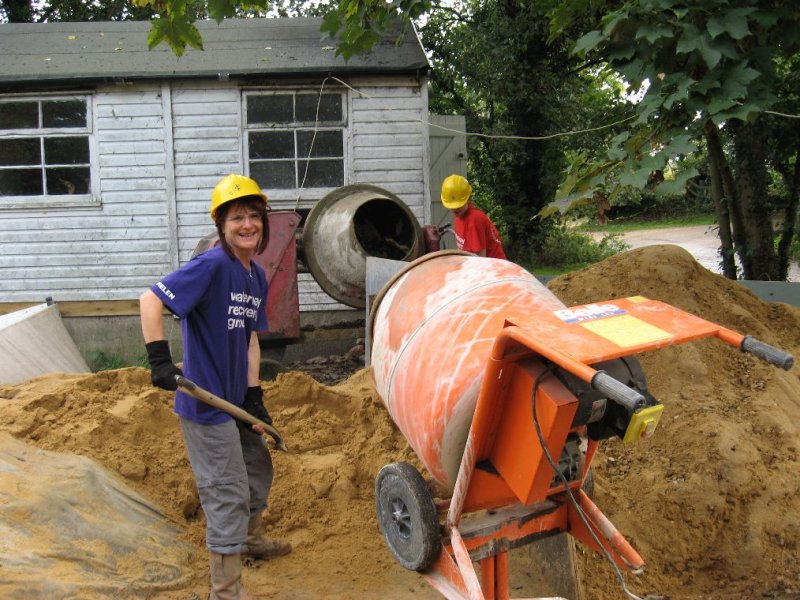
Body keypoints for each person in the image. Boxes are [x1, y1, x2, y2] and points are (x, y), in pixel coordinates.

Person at [139, 174, 291, 600]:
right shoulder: (211, 264)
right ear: (222, 225)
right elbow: (150, 301)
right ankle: (225, 590)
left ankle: (250, 539)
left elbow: (250, 339)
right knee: (226, 493)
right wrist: (159, 360)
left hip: (233, 402)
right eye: (237, 217)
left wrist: (254, 395)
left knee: (258, 468)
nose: (247, 225)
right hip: (204, 406)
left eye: (254, 217)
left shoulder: (254, 275)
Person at [440, 174, 507, 259]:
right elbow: (462, 249)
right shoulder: (459, 216)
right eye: (452, 206)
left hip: (494, 268)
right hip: (473, 262)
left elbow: (480, 258)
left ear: (468, 199)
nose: (454, 209)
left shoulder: (475, 220)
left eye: (458, 205)